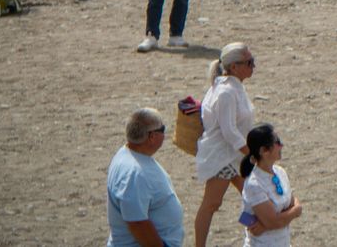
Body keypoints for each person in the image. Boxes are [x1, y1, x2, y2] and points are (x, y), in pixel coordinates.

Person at [192, 43, 255, 247]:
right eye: (249, 63)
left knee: (253, 198)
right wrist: (252, 155)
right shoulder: (226, 92)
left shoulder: (233, 87)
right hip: (225, 157)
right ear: (234, 67)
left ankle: (255, 237)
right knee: (211, 204)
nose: (253, 66)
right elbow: (229, 131)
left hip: (235, 156)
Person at [106, 109, 183, 247]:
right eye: (162, 129)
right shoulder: (135, 174)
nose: (165, 133)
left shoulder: (126, 154)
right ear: (152, 137)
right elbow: (137, 223)